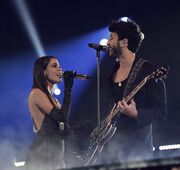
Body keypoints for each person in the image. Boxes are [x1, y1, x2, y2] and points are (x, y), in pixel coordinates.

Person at [98, 17, 167, 164]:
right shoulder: (111, 74)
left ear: (124, 42)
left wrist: (137, 114)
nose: (108, 42)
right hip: (113, 151)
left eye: (111, 38)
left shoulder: (148, 70)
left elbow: (160, 110)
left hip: (138, 150)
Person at [25, 56, 75, 170]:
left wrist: (61, 160)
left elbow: (61, 129)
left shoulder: (54, 100)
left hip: (54, 158)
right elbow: (62, 117)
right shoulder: (36, 93)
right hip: (41, 156)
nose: (60, 69)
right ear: (43, 72)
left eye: (59, 66)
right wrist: (68, 88)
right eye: (54, 66)